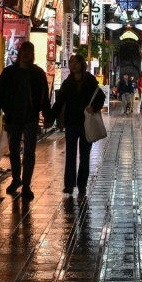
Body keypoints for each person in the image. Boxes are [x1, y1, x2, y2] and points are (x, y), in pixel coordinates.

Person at [0, 41, 51, 200]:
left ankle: (26, 184)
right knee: (14, 150)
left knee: (29, 152)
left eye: (29, 52)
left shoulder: (38, 73)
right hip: (12, 117)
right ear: (20, 53)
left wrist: (47, 115)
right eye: (24, 51)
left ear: (32, 55)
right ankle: (16, 178)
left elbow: (45, 96)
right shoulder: (9, 73)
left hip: (30, 117)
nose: (26, 54)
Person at [51, 54, 105, 197]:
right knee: (70, 154)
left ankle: (82, 184)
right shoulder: (67, 82)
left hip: (85, 123)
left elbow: (101, 96)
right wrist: (50, 117)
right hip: (71, 123)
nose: (72, 65)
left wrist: (93, 107)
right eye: (70, 62)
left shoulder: (90, 80)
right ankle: (69, 185)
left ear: (81, 64)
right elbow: (59, 102)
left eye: (75, 62)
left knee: (85, 155)